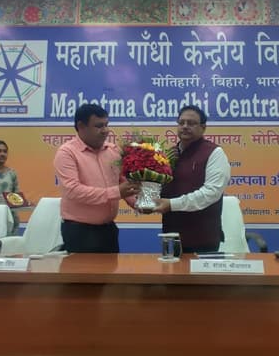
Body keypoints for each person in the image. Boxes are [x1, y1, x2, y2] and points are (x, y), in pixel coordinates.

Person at [54, 103, 140, 253]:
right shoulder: (67, 153)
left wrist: (141, 204)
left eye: (106, 125)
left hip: (108, 230)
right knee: (82, 270)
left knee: (111, 269)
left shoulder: (113, 151)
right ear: (81, 126)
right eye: (99, 126)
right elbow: (73, 191)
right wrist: (116, 192)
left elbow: (123, 183)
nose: (105, 130)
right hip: (80, 232)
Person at [151, 105, 231, 253]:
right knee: (170, 269)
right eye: (181, 123)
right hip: (171, 236)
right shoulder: (169, 154)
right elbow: (160, 188)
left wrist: (171, 204)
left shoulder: (214, 153)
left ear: (203, 128)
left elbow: (211, 193)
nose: (185, 126)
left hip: (202, 239)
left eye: (191, 123)